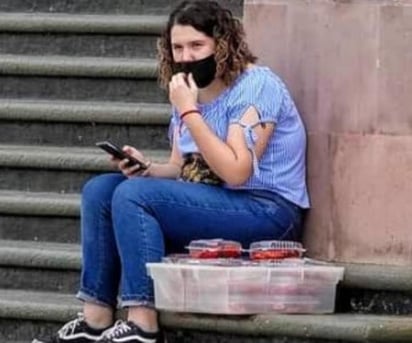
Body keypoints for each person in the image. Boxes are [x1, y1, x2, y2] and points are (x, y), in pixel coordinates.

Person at [32, 1, 310, 342]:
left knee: (133, 196)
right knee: (102, 190)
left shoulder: (256, 86)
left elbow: (238, 171)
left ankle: (142, 323)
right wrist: (147, 169)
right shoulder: (188, 92)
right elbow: (180, 167)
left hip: (268, 211)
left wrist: (190, 111)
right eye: (178, 48)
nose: (187, 56)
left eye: (197, 45)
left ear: (222, 44)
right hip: (218, 202)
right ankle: (95, 318)